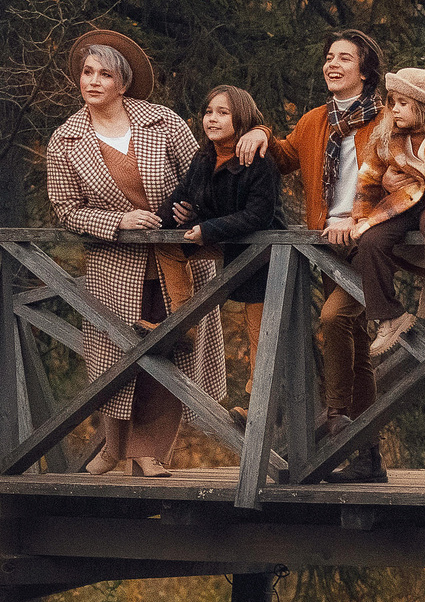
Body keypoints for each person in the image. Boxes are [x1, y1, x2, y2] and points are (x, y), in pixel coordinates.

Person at [45, 29, 226, 477]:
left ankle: (148, 451)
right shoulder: (65, 140)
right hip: (114, 264)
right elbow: (66, 210)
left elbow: (203, 175)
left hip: (177, 261)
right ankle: (112, 448)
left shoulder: (161, 122)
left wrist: (191, 207)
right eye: (88, 72)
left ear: (123, 83)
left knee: (173, 349)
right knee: (115, 353)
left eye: (105, 74)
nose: (93, 81)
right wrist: (117, 223)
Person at [230, 29, 389, 483]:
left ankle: (336, 419)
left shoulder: (387, 119)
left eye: (344, 58)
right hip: (326, 246)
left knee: (335, 319)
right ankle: (368, 455)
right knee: (355, 347)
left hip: (369, 241)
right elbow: (282, 156)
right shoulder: (315, 120)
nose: (332, 64)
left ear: (365, 69)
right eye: (328, 57)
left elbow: (401, 183)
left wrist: (360, 219)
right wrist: (260, 131)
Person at [336, 67, 425, 358]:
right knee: (371, 241)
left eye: (403, 103)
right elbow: (368, 179)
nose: (395, 109)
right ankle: (389, 315)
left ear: (423, 107)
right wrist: (360, 217)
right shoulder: (387, 135)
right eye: (393, 102)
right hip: (400, 203)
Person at [165, 85, 283, 355]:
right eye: (208, 112)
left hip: (262, 253)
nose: (212, 119)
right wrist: (165, 217)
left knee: (260, 343)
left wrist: (207, 229)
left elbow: (259, 215)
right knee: (166, 246)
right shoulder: (204, 157)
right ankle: (184, 326)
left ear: (241, 118)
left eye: (222, 113)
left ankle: (258, 395)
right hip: (226, 243)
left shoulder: (259, 160)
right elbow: (181, 195)